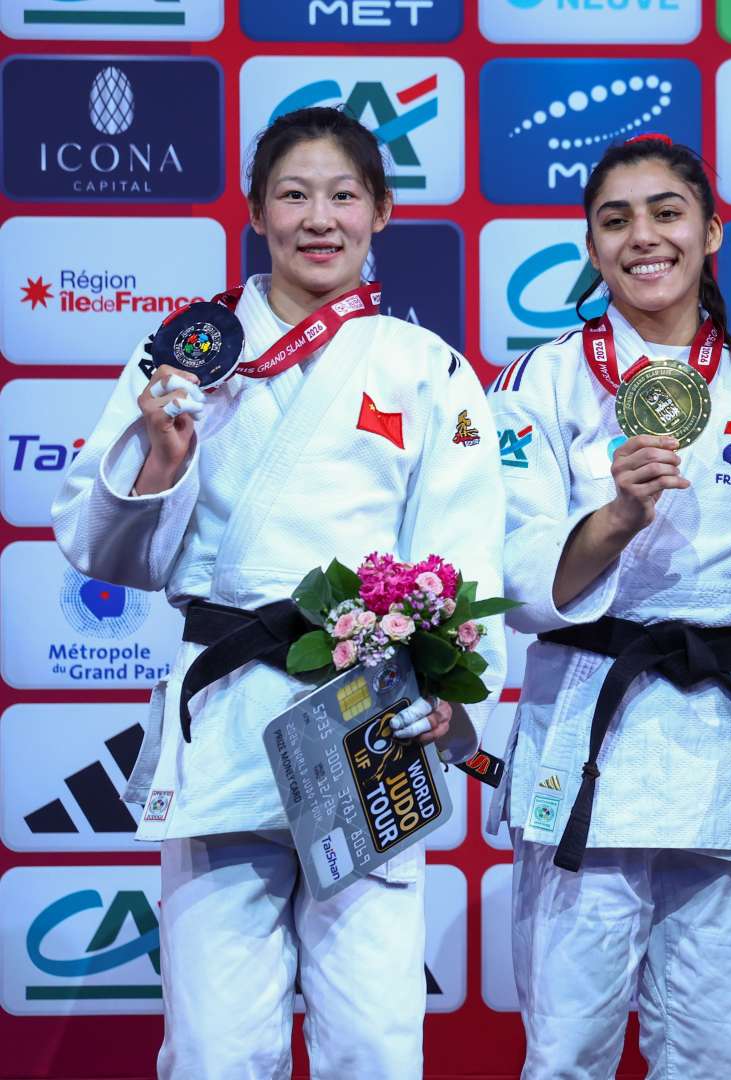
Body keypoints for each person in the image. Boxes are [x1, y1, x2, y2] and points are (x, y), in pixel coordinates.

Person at [51, 106, 507, 1079]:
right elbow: (100, 546)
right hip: (223, 710)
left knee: (376, 1042)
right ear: (256, 208)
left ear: (380, 211)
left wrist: (451, 696)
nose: (319, 218)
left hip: (367, 717)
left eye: (343, 196)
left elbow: (462, 563)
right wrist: (159, 461)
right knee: (216, 1047)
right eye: (294, 195)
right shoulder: (186, 355)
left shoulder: (425, 367)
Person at [486, 134, 731, 1080]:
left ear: (711, 230)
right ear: (590, 245)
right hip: (587, 733)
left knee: (710, 1053)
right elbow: (513, 572)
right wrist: (619, 516)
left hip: (724, 751)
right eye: (614, 219)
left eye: (666, 212)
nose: (642, 236)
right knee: (566, 1050)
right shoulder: (539, 382)